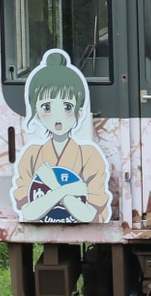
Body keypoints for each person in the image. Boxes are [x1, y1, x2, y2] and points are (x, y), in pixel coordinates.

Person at [13, 48, 111, 224]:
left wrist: (52, 183)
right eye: (47, 107)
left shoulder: (89, 156)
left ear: (79, 112)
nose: (57, 118)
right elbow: (28, 212)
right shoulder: (31, 155)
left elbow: (89, 215)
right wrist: (67, 189)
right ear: (36, 111)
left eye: (66, 107)